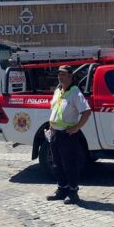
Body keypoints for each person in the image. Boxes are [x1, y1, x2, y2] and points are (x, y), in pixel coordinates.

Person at [46, 65, 92, 205]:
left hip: (67, 135)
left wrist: (77, 127)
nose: (60, 77)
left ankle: (73, 192)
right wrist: (51, 127)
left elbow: (86, 112)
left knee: (69, 164)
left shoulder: (75, 92)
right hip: (55, 133)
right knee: (57, 164)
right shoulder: (58, 91)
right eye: (59, 74)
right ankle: (62, 189)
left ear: (71, 76)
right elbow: (55, 110)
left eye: (63, 74)